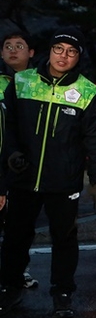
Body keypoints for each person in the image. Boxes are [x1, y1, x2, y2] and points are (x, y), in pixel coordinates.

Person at [0, 27, 96, 318]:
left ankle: (62, 293)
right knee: (15, 237)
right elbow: (7, 127)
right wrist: (11, 155)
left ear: (78, 57)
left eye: (71, 52)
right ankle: (10, 287)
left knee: (64, 239)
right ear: (49, 50)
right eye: (59, 49)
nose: (64, 56)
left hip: (64, 181)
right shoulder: (23, 82)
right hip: (23, 177)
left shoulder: (88, 91)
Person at [0, 31, 39, 289]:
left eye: (20, 46)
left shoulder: (38, 83)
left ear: (31, 52)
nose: (13, 50)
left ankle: (17, 271)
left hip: (28, 167)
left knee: (21, 226)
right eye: (8, 46)